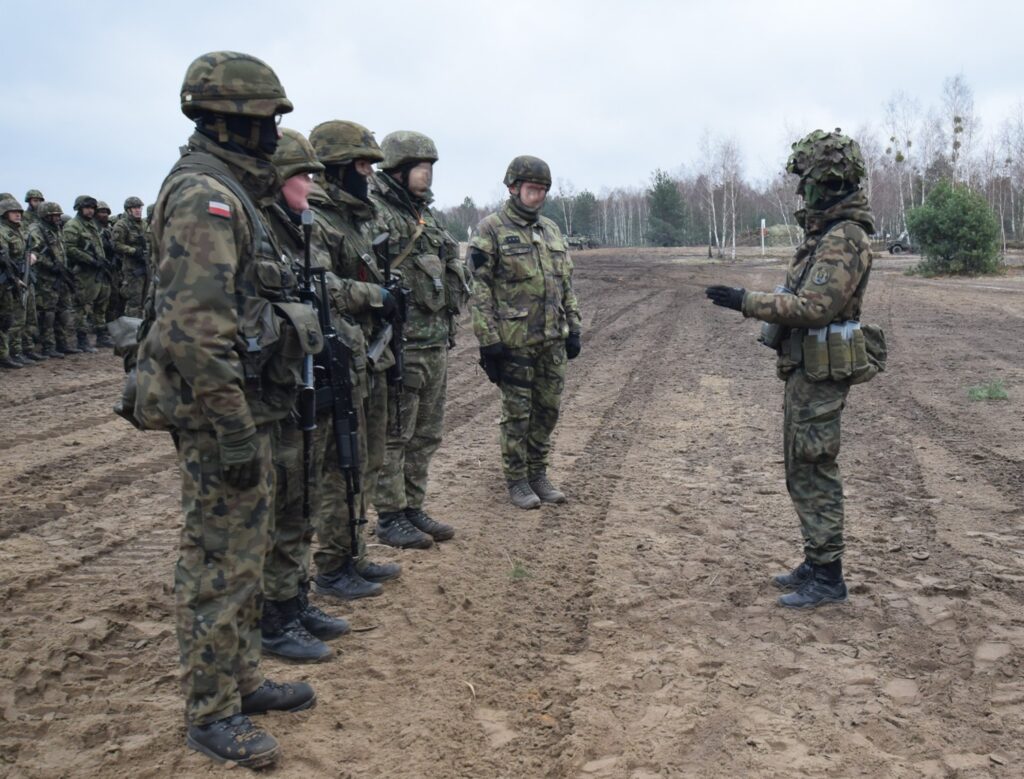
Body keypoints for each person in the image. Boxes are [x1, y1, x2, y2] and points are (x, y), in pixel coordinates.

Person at [132, 51, 319, 768]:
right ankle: (210, 713)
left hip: (240, 407)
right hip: (219, 416)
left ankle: (240, 679)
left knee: (243, 555)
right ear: (231, 121)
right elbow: (198, 330)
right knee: (217, 560)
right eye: (268, 120)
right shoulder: (203, 197)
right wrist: (236, 429)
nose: (276, 134)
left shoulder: (230, 192)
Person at [705, 128, 876, 610]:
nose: (802, 191)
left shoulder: (845, 238)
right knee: (801, 468)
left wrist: (747, 302)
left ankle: (829, 578)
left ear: (828, 181)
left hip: (821, 374)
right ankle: (816, 561)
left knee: (814, 469)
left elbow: (816, 307)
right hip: (806, 371)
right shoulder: (826, 234)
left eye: (808, 180)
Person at [258, 126, 356, 661]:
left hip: (305, 381)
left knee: (301, 501)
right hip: (273, 389)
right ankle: (274, 618)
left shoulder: (299, 230)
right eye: (303, 174)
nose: (311, 184)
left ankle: (294, 603)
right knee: (281, 504)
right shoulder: (261, 231)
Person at [307, 119, 405, 595]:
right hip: (339, 358)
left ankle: (355, 555)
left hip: (368, 357)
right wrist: (377, 295)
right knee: (337, 467)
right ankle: (331, 566)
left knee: (365, 461)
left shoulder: (358, 219)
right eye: (362, 164)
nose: (368, 174)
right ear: (336, 166)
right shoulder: (316, 218)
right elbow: (320, 286)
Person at [369, 131, 468, 547]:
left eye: (430, 167)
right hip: (400, 345)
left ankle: (413, 506)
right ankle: (391, 516)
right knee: (395, 433)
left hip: (432, 342)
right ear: (397, 169)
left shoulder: (427, 217)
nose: (427, 175)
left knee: (427, 433)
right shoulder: (377, 214)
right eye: (420, 167)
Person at [468, 156, 582, 509]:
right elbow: (480, 289)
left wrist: (574, 326)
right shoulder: (490, 230)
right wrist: (490, 342)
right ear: (513, 188)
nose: (538, 197)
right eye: (532, 189)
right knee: (518, 414)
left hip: (552, 339)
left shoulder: (551, 230)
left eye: (543, 191)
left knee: (547, 411)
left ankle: (538, 473)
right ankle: (517, 480)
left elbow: (565, 283)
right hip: (514, 342)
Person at [27, 201, 79, 357]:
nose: (57, 218)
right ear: (45, 216)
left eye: (58, 215)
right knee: (47, 314)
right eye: (53, 215)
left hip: (60, 277)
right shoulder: (36, 230)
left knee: (63, 311)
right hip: (46, 279)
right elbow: (33, 253)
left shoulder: (56, 230)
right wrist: (50, 265)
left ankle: (62, 343)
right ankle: (48, 346)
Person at [0, 195, 43, 366]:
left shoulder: (20, 230)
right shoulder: (2, 232)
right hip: (8, 281)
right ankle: (7, 354)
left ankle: (22, 350)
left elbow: (34, 245)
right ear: (4, 213)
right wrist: (15, 279)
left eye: (18, 212)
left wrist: (34, 255)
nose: (18, 214)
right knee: (10, 319)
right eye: (13, 212)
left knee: (27, 316)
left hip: (24, 277)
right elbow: (3, 259)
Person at [63, 195, 109, 352]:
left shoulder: (91, 225)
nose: (90, 211)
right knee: (83, 306)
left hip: (97, 271)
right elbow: (69, 248)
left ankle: (101, 336)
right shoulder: (73, 225)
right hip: (83, 272)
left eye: (92, 208)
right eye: (87, 208)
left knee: (101, 302)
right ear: (79, 208)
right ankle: (81, 340)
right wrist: (89, 259)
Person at [111, 196, 149, 316]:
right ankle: (131, 331)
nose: (138, 210)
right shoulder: (122, 225)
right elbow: (116, 244)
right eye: (135, 208)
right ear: (128, 210)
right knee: (134, 301)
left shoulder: (144, 224)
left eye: (139, 207)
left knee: (146, 300)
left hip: (146, 267)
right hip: (133, 269)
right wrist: (133, 250)